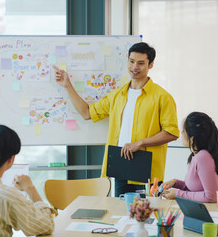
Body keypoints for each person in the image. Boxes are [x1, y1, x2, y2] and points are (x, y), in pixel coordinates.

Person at [54, 42, 179, 196]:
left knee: (146, 215)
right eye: (132, 61)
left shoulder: (162, 97)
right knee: (121, 212)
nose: (135, 67)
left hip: (146, 168)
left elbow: (172, 132)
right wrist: (67, 86)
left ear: (150, 65)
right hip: (120, 164)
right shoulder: (117, 95)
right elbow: (87, 113)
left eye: (141, 63)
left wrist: (140, 143)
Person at [160, 112, 218, 202]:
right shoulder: (197, 156)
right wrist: (176, 183)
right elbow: (196, 189)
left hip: (212, 211)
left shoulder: (203, 157)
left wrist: (177, 194)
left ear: (192, 138)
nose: (181, 133)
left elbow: (211, 196)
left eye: (183, 131)